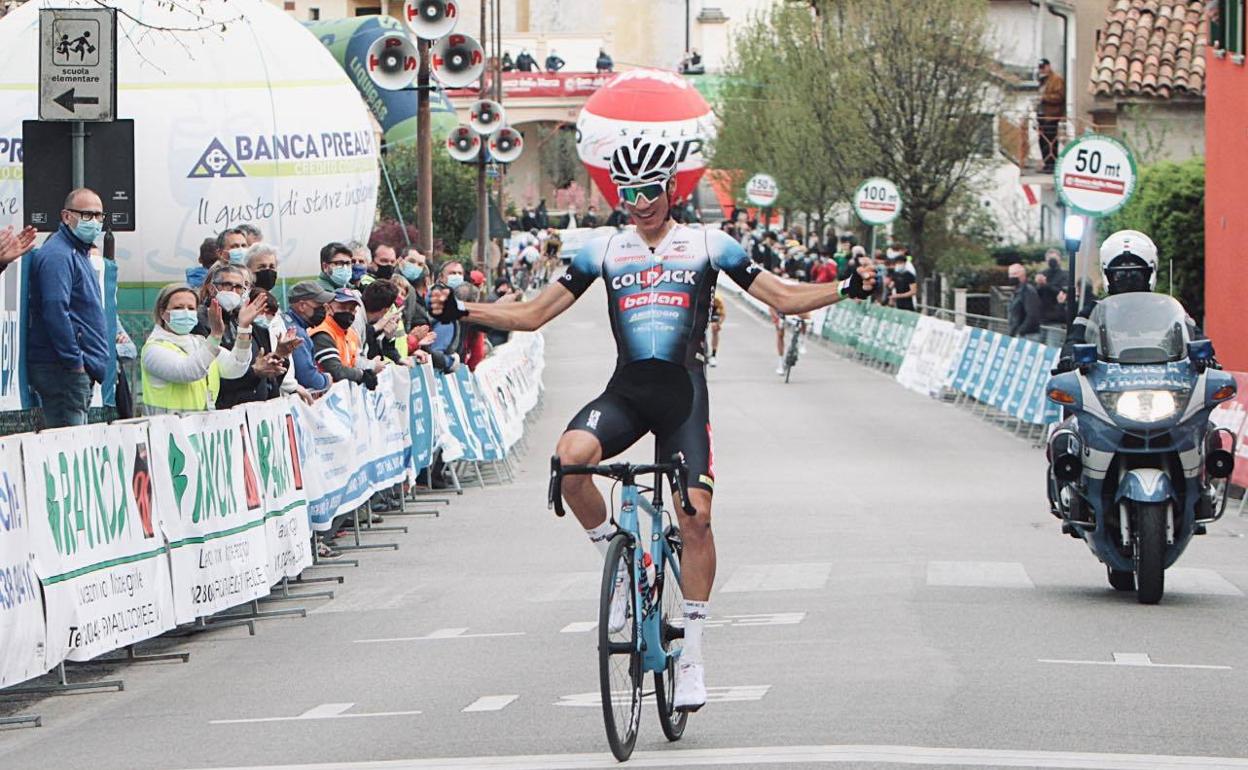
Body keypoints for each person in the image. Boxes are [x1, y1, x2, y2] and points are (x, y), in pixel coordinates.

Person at [426, 136, 876, 711]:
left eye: (649, 191)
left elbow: (782, 299)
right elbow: (535, 314)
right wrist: (464, 311)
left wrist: (847, 288)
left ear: (670, 190)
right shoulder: (604, 250)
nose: (639, 202)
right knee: (569, 459)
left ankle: (692, 655)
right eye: (628, 191)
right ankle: (615, 565)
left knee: (697, 518)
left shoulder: (709, 244)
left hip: (682, 396)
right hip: (629, 391)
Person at [26, 188, 111, 428]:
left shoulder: (77, 253)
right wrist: (75, 361)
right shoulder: (59, 255)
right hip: (62, 370)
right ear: (66, 216)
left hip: (72, 369)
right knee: (66, 443)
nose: (94, 222)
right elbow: (55, 310)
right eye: (87, 215)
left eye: (99, 216)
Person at [140, 283, 255, 414]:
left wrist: (244, 329)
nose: (185, 312)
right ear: (162, 312)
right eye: (178, 308)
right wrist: (215, 336)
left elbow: (235, 368)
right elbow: (187, 371)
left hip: (200, 427)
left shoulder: (200, 343)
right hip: (167, 429)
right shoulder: (154, 349)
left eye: (191, 308)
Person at [311, 289, 384, 388]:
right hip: (325, 396)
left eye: (351, 309)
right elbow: (336, 371)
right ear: (328, 308)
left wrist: (370, 366)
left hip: (345, 395)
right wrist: (362, 375)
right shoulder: (322, 333)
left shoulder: (351, 333)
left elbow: (354, 362)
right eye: (342, 307)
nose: (348, 312)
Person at [283, 281, 333, 393]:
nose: (324, 310)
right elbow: (307, 377)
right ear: (302, 306)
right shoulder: (296, 332)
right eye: (320, 305)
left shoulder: (288, 322)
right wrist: (326, 380)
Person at [1037, 58, 1066, 173]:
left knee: (1050, 139)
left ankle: (1052, 163)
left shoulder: (1056, 79)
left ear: (1048, 66)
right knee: (1042, 140)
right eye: (1040, 68)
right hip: (1042, 115)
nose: (1041, 70)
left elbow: (1059, 97)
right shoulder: (1043, 81)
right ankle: (1047, 163)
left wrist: (1044, 98)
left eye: (1043, 67)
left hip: (1052, 115)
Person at [1006, 262, 1042, 339]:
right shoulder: (1015, 291)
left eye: (1015, 274)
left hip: (1027, 335)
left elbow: (1032, 315)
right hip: (1017, 334)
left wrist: (1020, 332)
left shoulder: (1028, 291)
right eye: (1010, 274)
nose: (1012, 276)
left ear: (1023, 275)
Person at [708, 291, 726, 367]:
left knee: (715, 329)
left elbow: (722, 315)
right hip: (701, 307)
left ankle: (713, 355)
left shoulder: (717, 299)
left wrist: (718, 324)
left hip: (715, 309)